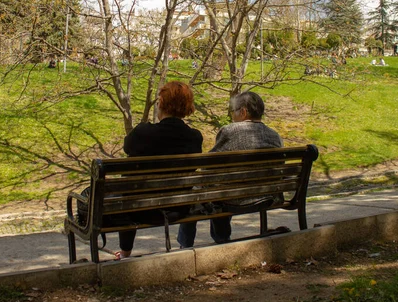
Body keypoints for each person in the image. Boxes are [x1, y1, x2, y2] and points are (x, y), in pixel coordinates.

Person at [177, 91, 283, 248]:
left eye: (233, 111)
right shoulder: (275, 136)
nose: (232, 115)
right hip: (266, 196)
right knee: (222, 188)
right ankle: (221, 237)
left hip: (234, 199)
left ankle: (187, 245)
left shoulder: (229, 131)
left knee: (205, 191)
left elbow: (209, 165)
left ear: (243, 112)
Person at [115, 81, 203, 259]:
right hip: (180, 207)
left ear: (161, 104)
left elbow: (127, 147)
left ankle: (125, 252)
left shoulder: (143, 133)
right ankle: (185, 246)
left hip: (141, 209)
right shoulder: (195, 137)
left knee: (129, 184)